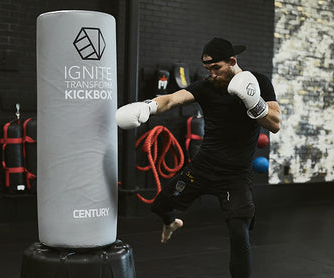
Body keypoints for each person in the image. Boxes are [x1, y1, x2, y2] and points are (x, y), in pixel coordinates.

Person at [115, 37, 282, 278]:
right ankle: (171, 223)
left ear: (232, 61)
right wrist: (148, 106)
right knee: (161, 204)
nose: (212, 74)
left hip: (235, 175)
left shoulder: (259, 82)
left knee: (238, 233)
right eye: (208, 69)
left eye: (216, 68)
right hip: (203, 168)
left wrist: (254, 103)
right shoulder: (206, 87)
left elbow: (275, 124)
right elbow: (172, 99)